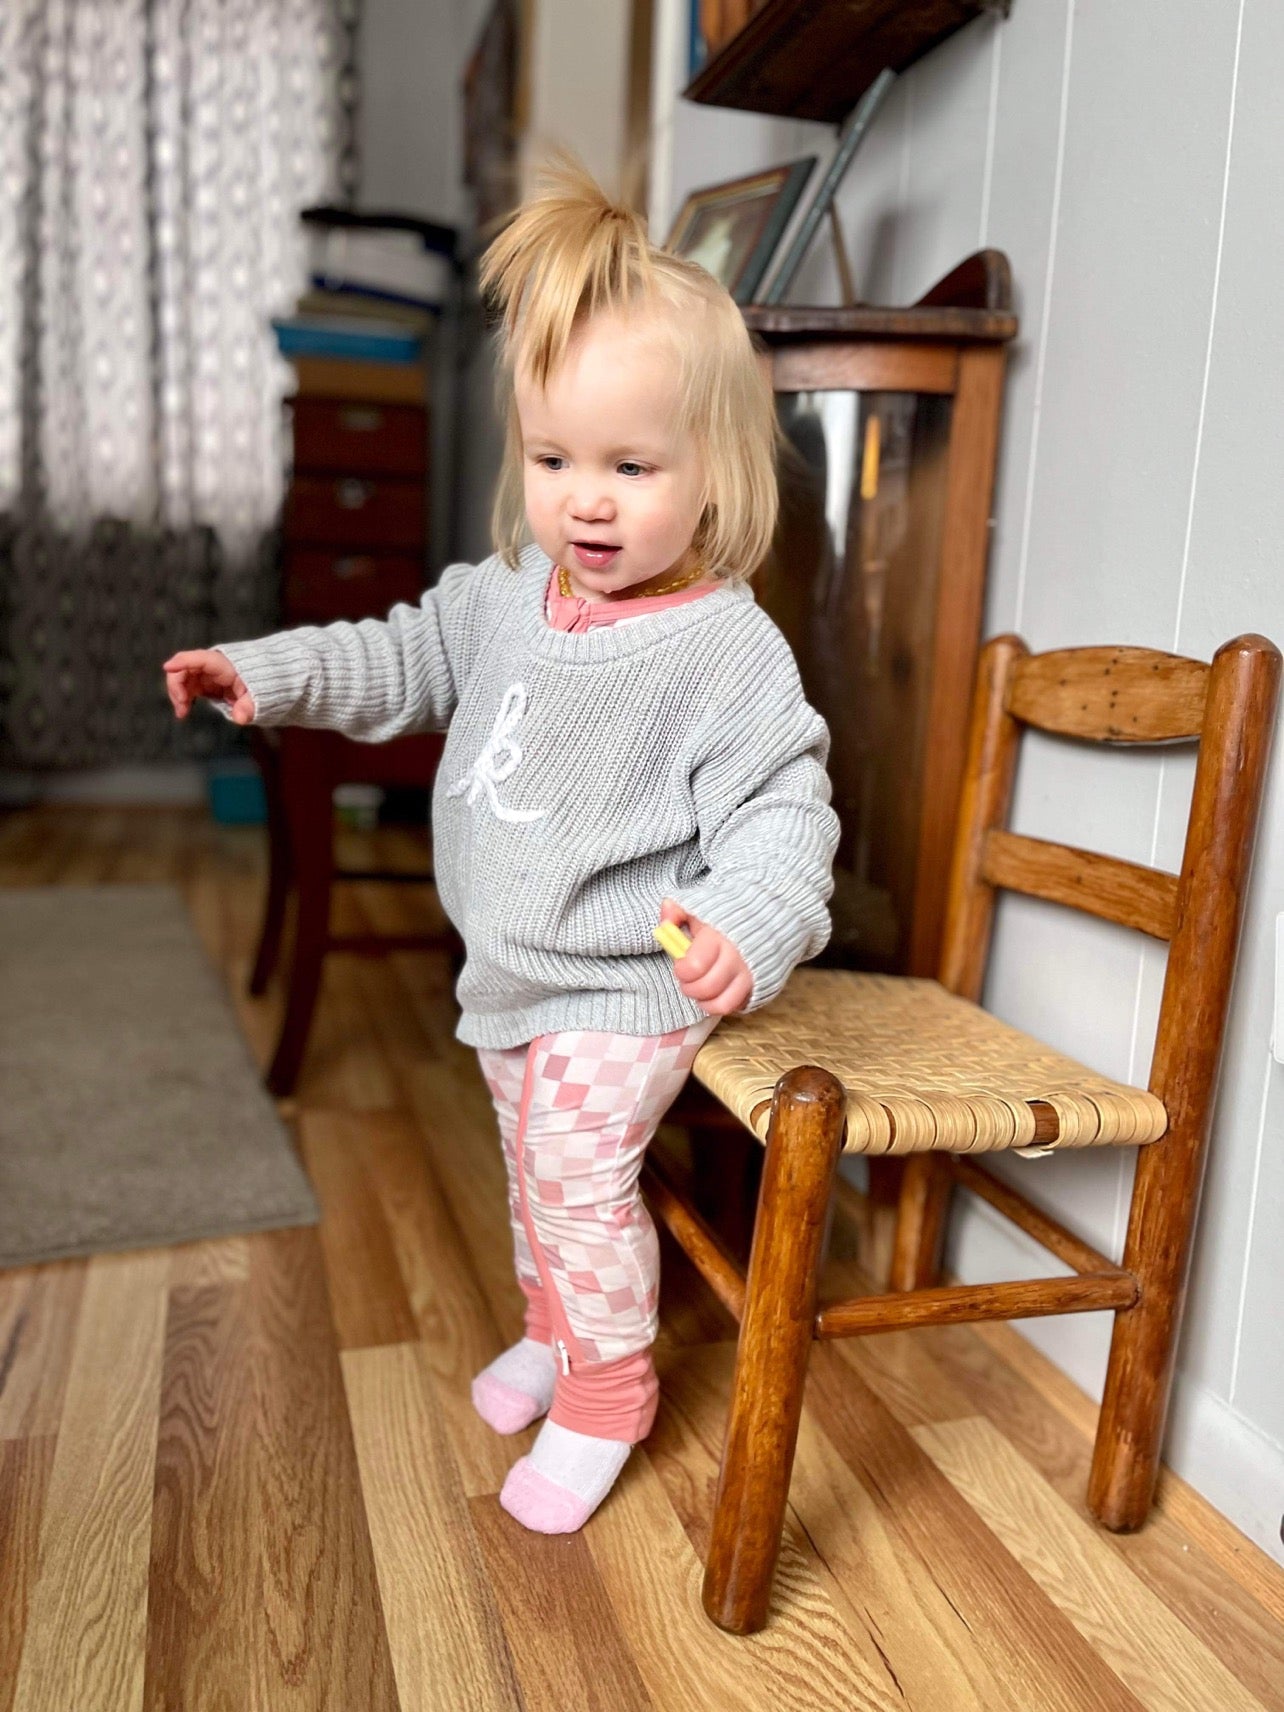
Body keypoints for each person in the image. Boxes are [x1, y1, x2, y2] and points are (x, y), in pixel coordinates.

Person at [164, 155, 839, 1536]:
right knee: (530, 1164)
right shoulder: (505, 600)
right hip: (510, 975)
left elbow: (787, 810)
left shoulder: (725, 650)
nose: (586, 502)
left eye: (631, 467)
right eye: (553, 462)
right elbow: (395, 654)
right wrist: (266, 671)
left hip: (626, 979)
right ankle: (554, 1325)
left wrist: (748, 926)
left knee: (583, 1170)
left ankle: (609, 1393)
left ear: (714, 472)